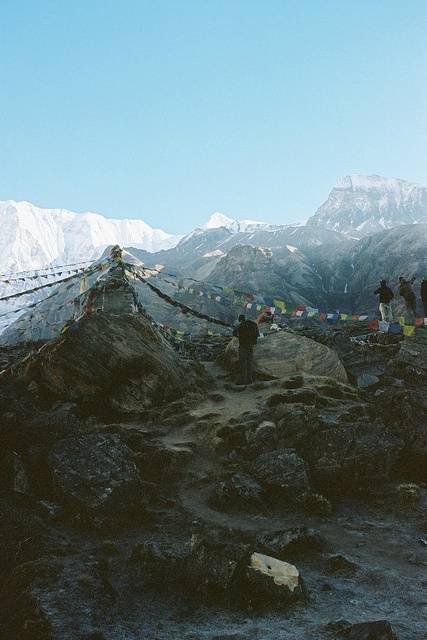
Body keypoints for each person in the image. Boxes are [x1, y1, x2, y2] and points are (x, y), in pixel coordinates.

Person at [233, 314, 259, 384]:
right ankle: (250, 379)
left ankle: (243, 379)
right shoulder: (252, 324)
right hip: (250, 346)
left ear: (240, 319)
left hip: (243, 346)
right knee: (249, 362)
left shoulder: (240, 326)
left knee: (243, 363)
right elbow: (257, 334)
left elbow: (234, 333)